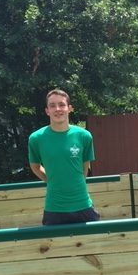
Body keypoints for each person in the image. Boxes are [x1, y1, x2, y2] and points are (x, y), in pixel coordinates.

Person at [28, 89, 100, 225]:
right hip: (54, 208)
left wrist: (74, 185)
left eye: (61, 105)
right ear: (47, 111)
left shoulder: (84, 136)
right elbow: (35, 167)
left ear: (69, 108)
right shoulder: (36, 138)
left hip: (83, 205)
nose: (57, 109)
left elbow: (85, 168)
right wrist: (53, 181)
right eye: (52, 105)